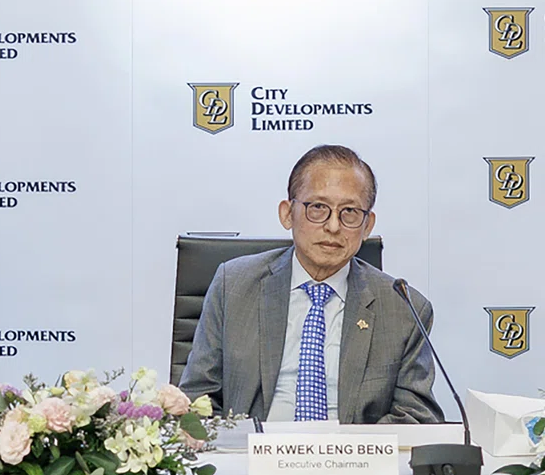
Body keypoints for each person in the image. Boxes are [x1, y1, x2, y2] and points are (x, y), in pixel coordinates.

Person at [179, 145, 443, 424]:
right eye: (318, 208)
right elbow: (199, 400)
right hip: (252, 458)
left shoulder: (404, 309)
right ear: (287, 213)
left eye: (350, 212)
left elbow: (417, 418)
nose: (333, 226)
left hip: (354, 462)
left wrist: (348, 452)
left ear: (367, 226)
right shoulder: (233, 286)